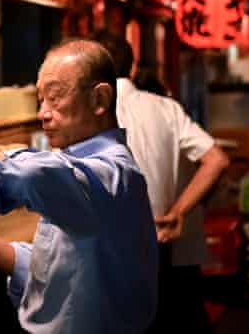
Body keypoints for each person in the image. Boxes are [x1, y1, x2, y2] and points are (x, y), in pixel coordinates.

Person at [0, 40, 158, 334]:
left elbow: (34, 173)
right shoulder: (76, 172)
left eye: (55, 97)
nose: (43, 112)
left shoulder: (113, 172)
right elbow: (52, 268)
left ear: (100, 100)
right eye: (40, 100)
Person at [93, 30, 229, 334]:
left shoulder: (90, 113)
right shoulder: (165, 108)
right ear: (132, 68)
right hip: (164, 247)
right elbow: (217, 159)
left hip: (109, 254)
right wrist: (178, 211)